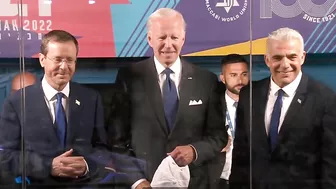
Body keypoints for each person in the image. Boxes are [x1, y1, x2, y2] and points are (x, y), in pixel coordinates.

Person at [116, 8, 227, 189]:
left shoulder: (206, 80)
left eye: (174, 38)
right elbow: (116, 139)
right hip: (146, 183)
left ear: (183, 39)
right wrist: (136, 181)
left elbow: (218, 136)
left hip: (193, 183)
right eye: (162, 38)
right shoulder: (129, 77)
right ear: (149, 39)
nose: (168, 45)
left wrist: (194, 151)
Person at [0, 30, 120, 187]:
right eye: (57, 59)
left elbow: (102, 148)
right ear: (42, 59)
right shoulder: (17, 102)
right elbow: (6, 156)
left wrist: (87, 165)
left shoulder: (91, 99)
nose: (64, 67)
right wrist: (48, 166)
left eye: (70, 60)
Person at [230, 27, 336, 189]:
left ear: (302, 57)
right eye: (277, 57)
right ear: (267, 60)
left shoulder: (325, 99)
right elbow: (240, 155)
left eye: (292, 57)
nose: (285, 64)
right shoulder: (249, 95)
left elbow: (331, 164)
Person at [210, 54, 249, 189]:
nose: (240, 80)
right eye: (233, 75)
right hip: (220, 179)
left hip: (250, 179)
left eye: (244, 74)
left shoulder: (260, 104)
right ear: (223, 78)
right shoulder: (212, 106)